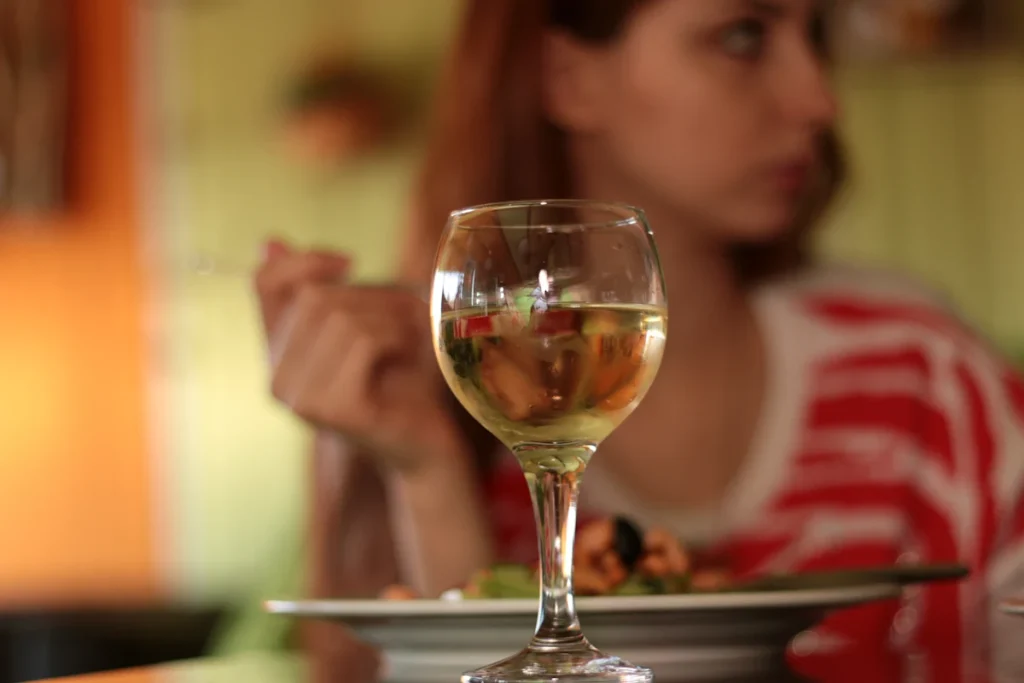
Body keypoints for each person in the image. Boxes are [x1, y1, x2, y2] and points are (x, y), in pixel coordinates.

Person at [253, 0, 1024, 681]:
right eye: (744, 35)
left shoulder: (930, 379)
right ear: (566, 76)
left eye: (815, 35)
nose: (819, 99)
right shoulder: (424, 386)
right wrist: (426, 469)